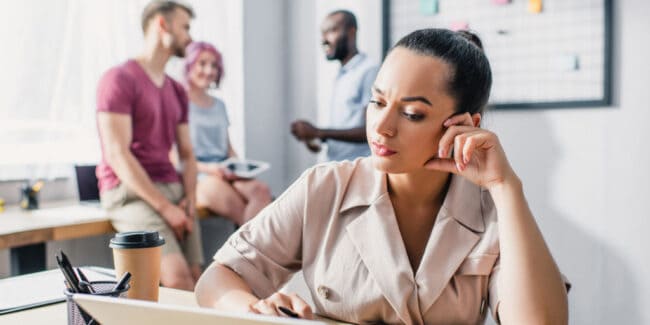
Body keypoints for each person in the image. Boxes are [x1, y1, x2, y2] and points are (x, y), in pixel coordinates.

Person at [195, 28, 570, 324]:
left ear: (465, 125)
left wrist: (507, 188)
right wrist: (254, 311)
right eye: (377, 102)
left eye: (412, 114)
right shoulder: (325, 187)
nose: (382, 127)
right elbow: (217, 278)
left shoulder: (493, 211)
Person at [96, 0, 203, 291]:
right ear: (162, 24)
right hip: (129, 192)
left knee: (199, 281)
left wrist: (190, 198)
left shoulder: (177, 90)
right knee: (179, 280)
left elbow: (188, 154)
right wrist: (167, 209)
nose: (190, 37)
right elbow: (118, 154)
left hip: (172, 189)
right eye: (185, 27)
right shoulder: (118, 79)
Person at [183, 41, 272, 226]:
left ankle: (252, 251)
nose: (209, 70)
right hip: (200, 174)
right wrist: (211, 170)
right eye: (202, 63)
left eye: (214, 65)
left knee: (261, 191)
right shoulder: (180, 104)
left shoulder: (219, 105)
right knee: (241, 212)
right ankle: (256, 252)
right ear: (190, 65)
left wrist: (240, 168)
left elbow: (228, 147)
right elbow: (177, 157)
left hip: (225, 170)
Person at [291, 10, 379, 162]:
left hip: (358, 167)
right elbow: (345, 124)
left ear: (351, 32)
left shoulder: (369, 70)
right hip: (337, 165)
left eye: (331, 31)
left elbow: (371, 131)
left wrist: (320, 132)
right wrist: (313, 137)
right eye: (322, 33)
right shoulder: (342, 73)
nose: (324, 39)